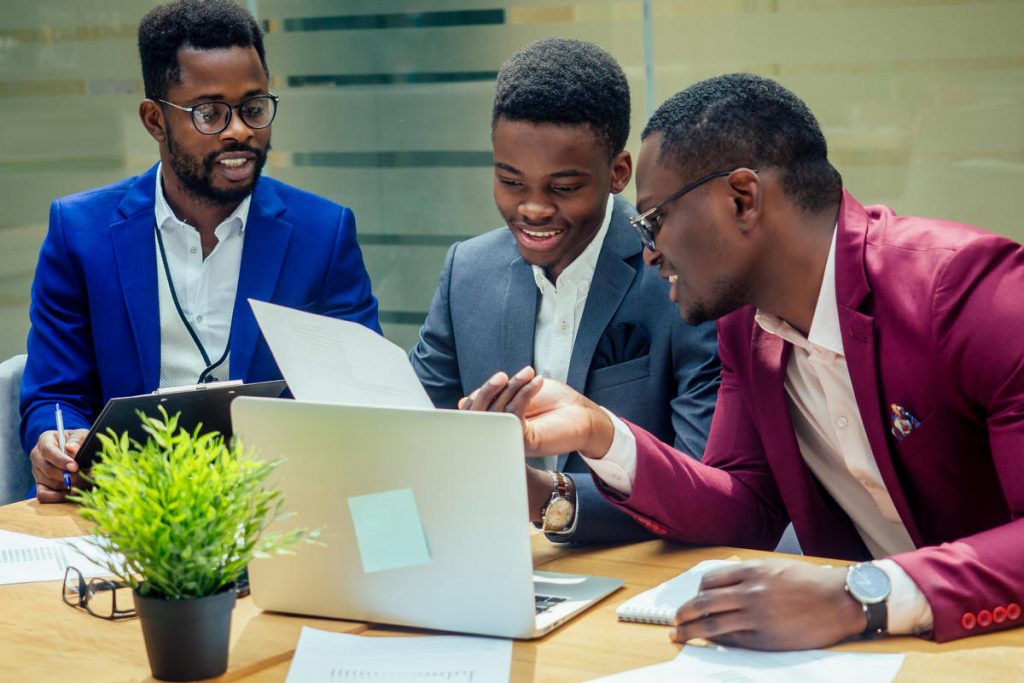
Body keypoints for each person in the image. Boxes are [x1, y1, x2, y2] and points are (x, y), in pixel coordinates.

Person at [467, 73, 1024, 647]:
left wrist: (857, 595)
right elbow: (743, 509)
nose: (650, 252)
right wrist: (599, 432)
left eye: (654, 220)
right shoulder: (744, 327)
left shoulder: (970, 291)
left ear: (743, 198)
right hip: (879, 652)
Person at [21, 0, 380, 503]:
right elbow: (55, 395)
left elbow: (359, 396)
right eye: (210, 113)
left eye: (254, 108)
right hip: (127, 511)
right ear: (154, 120)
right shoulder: (79, 234)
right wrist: (57, 441)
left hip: (277, 507)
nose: (240, 131)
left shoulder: (322, 233)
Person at [410, 38, 720, 544]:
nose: (532, 208)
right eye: (511, 181)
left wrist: (546, 496)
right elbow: (412, 436)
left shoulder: (682, 278)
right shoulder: (466, 272)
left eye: (563, 188)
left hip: (637, 569)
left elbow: (700, 482)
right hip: (488, 558)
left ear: (618, 173)